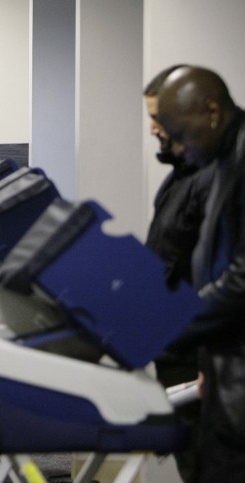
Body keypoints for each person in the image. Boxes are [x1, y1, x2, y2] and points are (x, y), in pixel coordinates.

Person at [158, 65, 245, 482]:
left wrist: (172, 326)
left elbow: (242, 280)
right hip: (223, 365)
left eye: (182, 135)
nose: (177, 147)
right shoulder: (222, 161)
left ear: (212, 111)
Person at [142, 65, 213, 483]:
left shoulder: (216, 180)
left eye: (159, 118)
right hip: (174, 348)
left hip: (200, 354)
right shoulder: (179, 178)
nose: (153, 129)